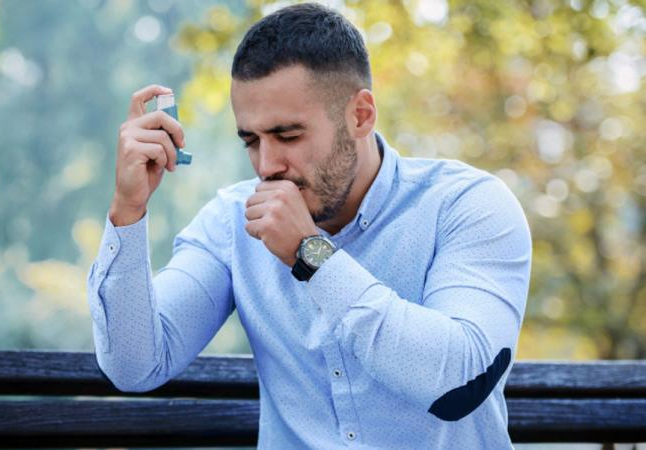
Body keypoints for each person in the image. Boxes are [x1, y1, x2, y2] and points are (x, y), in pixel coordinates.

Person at [86, 3, 532, 449]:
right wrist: (128, 209)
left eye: (288, 136)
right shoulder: (231, 222)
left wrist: (311, 255)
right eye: (251, 140)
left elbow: (459, 385)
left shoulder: (466, 205)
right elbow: (135, 367)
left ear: (360, 115)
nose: (267, 165)